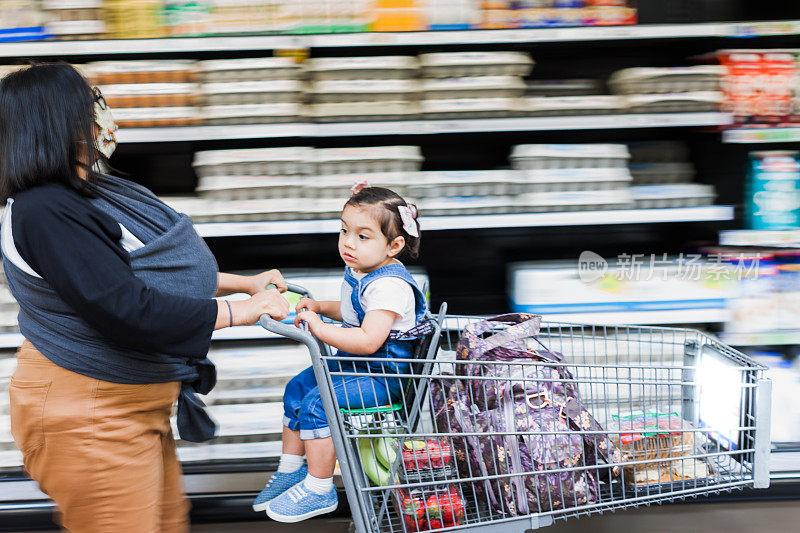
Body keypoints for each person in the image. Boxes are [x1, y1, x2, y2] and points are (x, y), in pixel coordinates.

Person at [0, 62, 291, 532]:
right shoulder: (44, 210)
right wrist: (241, 311)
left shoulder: (85, 193)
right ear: (56, 121)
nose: (101, 114)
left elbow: (137, 274)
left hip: (129, 399)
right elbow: (125, 307)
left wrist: (244, 284)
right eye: (89, 103)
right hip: (91, 410)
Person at [253, 185, 429, 523]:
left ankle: (320, 487)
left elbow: (367, 340)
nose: (348, 242)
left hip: (383, 375)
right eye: (344, 230)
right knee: (297, 389)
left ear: (394, 246)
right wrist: (321, 307)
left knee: (319, 404)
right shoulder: (363, 271)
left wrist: (319, 327)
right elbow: (352, 311)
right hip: (358, 367)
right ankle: (290, 470)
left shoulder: (388, 285)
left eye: (363, 236)